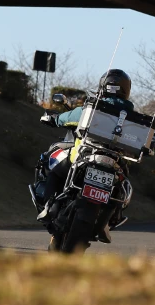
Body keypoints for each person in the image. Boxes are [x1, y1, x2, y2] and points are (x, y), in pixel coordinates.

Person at [36, 69, 135, 220]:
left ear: (103, 86)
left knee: (56, 172)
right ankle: (115, 215)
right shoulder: (134, 118)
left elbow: (70, 117)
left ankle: (50, 207)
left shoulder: (94, 107)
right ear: (126, 89)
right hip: (115, 164)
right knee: (121, 183)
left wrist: (54, 119)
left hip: (85, 155)